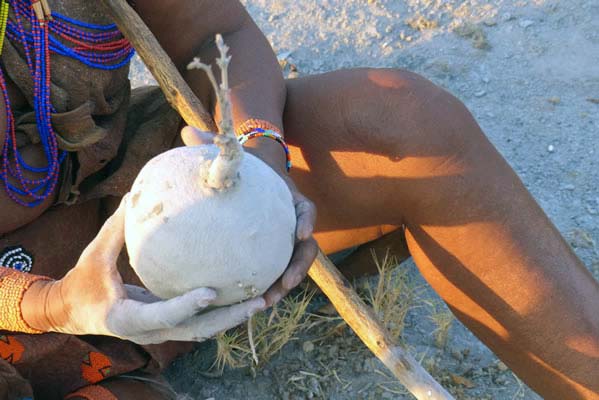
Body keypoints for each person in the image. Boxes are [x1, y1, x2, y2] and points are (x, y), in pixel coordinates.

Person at [0, 0, 596, 399]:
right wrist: (54, 304)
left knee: (404, 128)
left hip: (117, 201)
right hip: (16, 314)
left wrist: (260, 153)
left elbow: (218, 32)